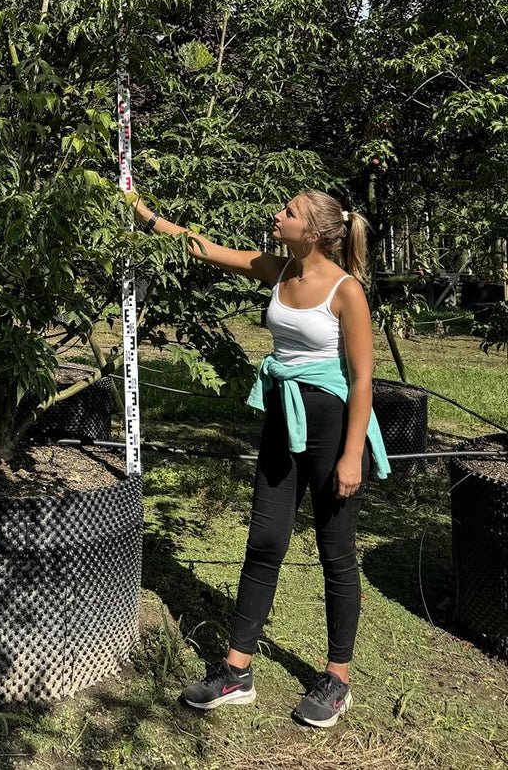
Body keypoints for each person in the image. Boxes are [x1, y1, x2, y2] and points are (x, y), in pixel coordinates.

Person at [133, 188, 389, 729]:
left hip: (331, 424)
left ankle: (337, 677)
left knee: (335, 552)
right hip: (282, 418)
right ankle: (237, 671)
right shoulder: (278, 270)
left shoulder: (347, 292)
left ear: (313, 232)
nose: (278, 215)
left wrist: (351, 455)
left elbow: (364, 379)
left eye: (289, 212)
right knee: (264, 540)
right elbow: (204, 248)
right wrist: (148, 216)